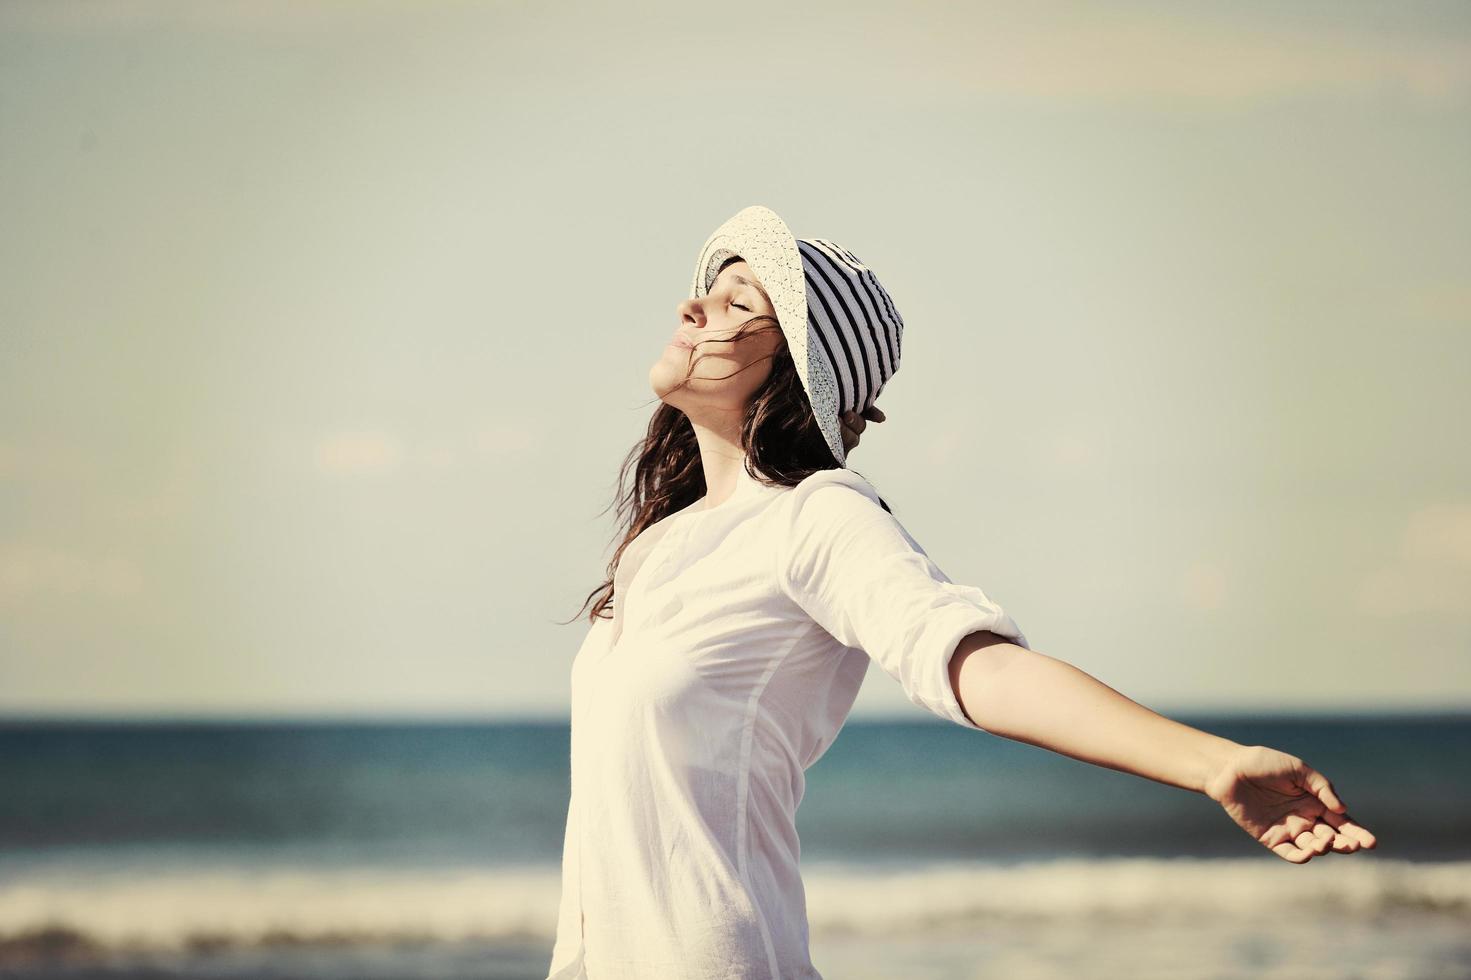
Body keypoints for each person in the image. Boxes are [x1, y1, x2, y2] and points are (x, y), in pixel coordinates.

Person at [545, 205, 1377, 980]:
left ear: (801, 367)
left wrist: (1211, 764)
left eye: (737, 303)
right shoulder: (656, 548)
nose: (695, 311)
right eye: (705, 293)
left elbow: (978, 666)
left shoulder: (817, 516)